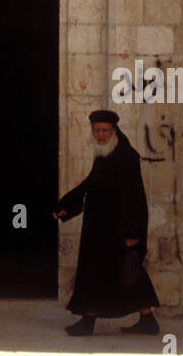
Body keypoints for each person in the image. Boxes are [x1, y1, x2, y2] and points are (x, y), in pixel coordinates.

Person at [53, 109, 160, 336]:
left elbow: (134, 197)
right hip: (101, 227)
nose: (100, 135)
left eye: (104, 131)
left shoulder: (126, 156)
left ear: (114, 131)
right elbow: (90, 184)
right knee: (113, 273)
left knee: (125, 272)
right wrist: (66, 206)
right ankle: (147, 318)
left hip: (119, 229)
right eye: (97, 131)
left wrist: (131, 233)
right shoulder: (105, 154)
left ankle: (89, 321)